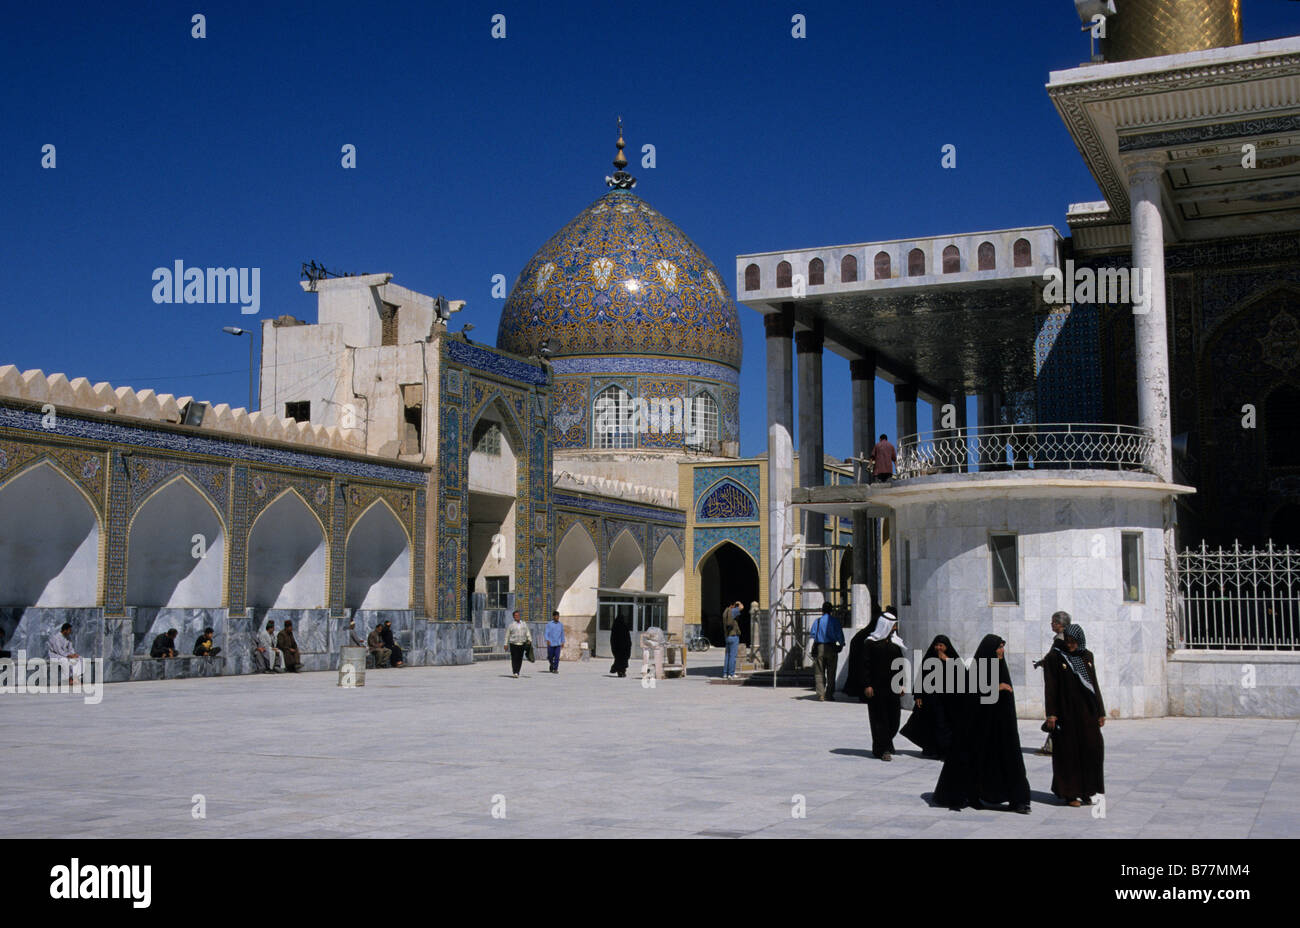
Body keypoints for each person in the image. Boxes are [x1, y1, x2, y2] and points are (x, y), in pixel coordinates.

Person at [932, 634, 1031, 814]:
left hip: (1001, 728)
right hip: (980, 728)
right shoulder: (979, 669)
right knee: (975, 761)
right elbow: (971, 696)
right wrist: (995, 688)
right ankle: (970, 795)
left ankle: (1018, 800)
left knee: (1010, 762)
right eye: (998, 648)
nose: (1001, 651)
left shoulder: (1001, 668)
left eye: (1002, 647)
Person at [1045, 623, 1106, 808]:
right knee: (1069, 753)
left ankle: (1089, 791)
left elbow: (1094, 684)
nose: (1070, 645)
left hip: (1087, 714)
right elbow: (1051, 688)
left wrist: (1100, 712)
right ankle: (1069, 793)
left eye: (1074, 642)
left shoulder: (1087, 656)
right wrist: (1051, 714)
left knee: (1092, 750)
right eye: (1068, 641)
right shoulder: (1055, 658)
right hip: (1066, 714)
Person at [900, 635, 963, 758]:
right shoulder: (929, 658)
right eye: (936, 645)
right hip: (932, 698)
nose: (938, 648)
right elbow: (921, 677)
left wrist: (947, 661)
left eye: (941, 645)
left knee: (945, 724)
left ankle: (945, 750)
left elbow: (963, 675)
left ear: (947, 647)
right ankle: (933, 749)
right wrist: (918, 695)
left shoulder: (953, 659)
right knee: (933, 723)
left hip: (949, 699)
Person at [859, 611, 905, 760]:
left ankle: (887, 742)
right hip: (876, 688)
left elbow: (900, 665)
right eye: (893, 625)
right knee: (880, 719)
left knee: (894, 719)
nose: (895, 628)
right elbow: (865, 666)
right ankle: (882, 749)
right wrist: (867, 685)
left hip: (892, 687)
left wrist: (901, 684)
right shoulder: (870, 643)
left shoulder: (895, 643)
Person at [1033, 611, 1071, 755]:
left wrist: (1046, 662)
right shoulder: (1064, 638)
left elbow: (1057, 659)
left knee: (1057, 716)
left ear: (1060, 624)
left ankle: (1052, 747)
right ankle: (1051, 746)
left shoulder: (1062, 640)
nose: (1051, 624)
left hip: (1061, 685)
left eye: (1053, 622)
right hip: (1064, 685)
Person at [809, 602, 845, 701]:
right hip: (832, 647)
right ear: (831, 610)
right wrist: (841, 645)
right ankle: (829, 694)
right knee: (831, 672)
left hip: (820, 647)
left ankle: (821, 694)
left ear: (822, 610)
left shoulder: (818, 621)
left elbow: (812, 635)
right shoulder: (835, 621)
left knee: (819, 672)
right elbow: (840, 636)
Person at [505, 610, 531, 677]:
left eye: (518, 615)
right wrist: (505, 644)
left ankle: (518, 671)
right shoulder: (511, 625)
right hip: (513, 644)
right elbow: (507, 635)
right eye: (516, 616)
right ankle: (515, 672)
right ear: (513, 617)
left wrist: (529, 640)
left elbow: (527, 632)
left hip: (522, 643)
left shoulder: (524, 624)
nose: (517, 617)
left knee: (520, 658)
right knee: (514, 658)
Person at [722, 600, 743, 679]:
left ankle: (725, 673)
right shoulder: (733, 611)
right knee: (732, 656)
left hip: (727, 636)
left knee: (727, 655)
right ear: (732, 605)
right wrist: (739, 603)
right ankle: (731, 673)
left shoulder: (725, 613)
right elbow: (741, 607)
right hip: (733, 636)